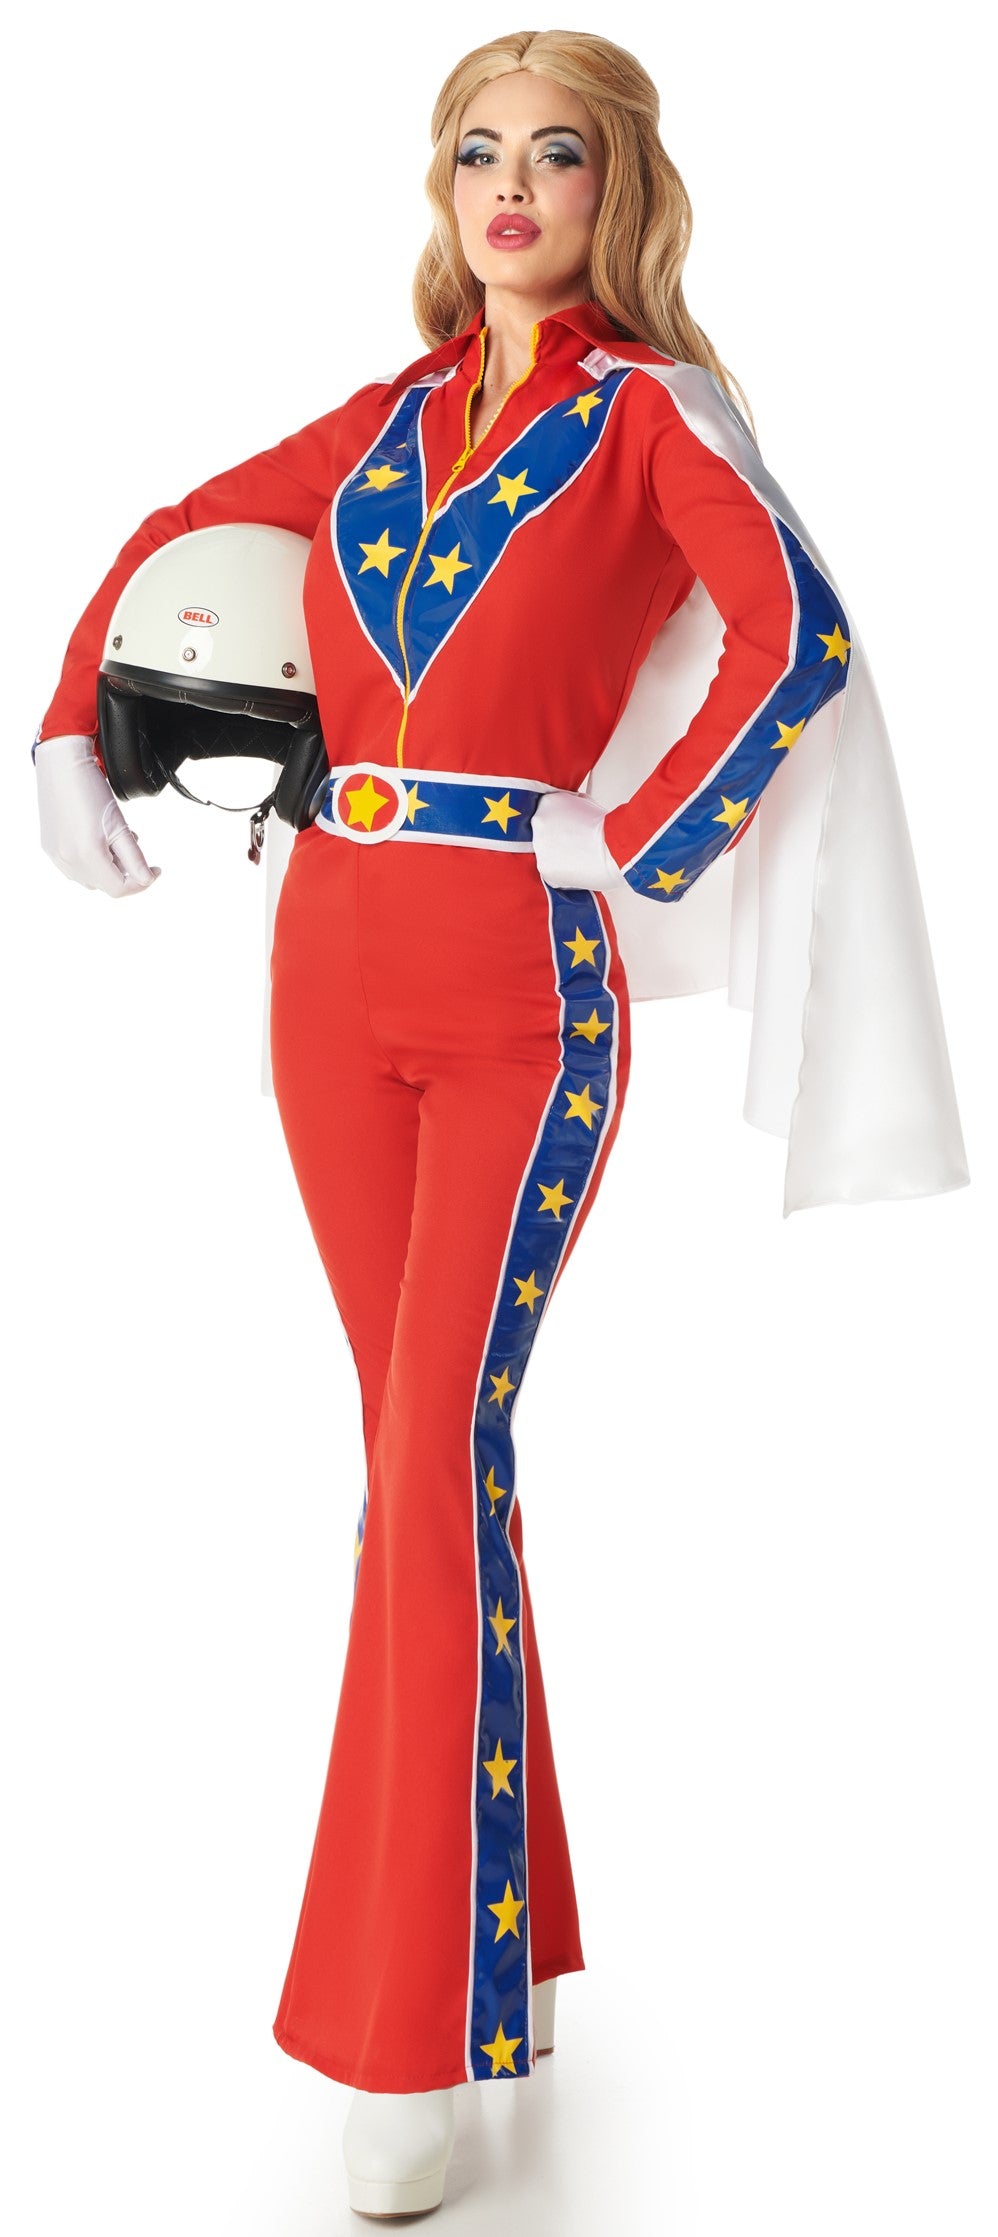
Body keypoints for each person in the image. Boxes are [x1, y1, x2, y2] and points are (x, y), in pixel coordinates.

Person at [32, 26, 968, 2223]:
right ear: (439, 189)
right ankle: (503, 1934)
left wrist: (627, 837)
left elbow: (798, 638)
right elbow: (176, 529)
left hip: (520, 991)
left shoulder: (651, 418)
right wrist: (68, 725)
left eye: (557, 152)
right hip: (321, 975)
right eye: (476, 152)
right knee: (419, 1462)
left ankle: (401, 2035)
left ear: (617, 188)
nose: (512, 186)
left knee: (427, 1457)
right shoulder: (383, 419)